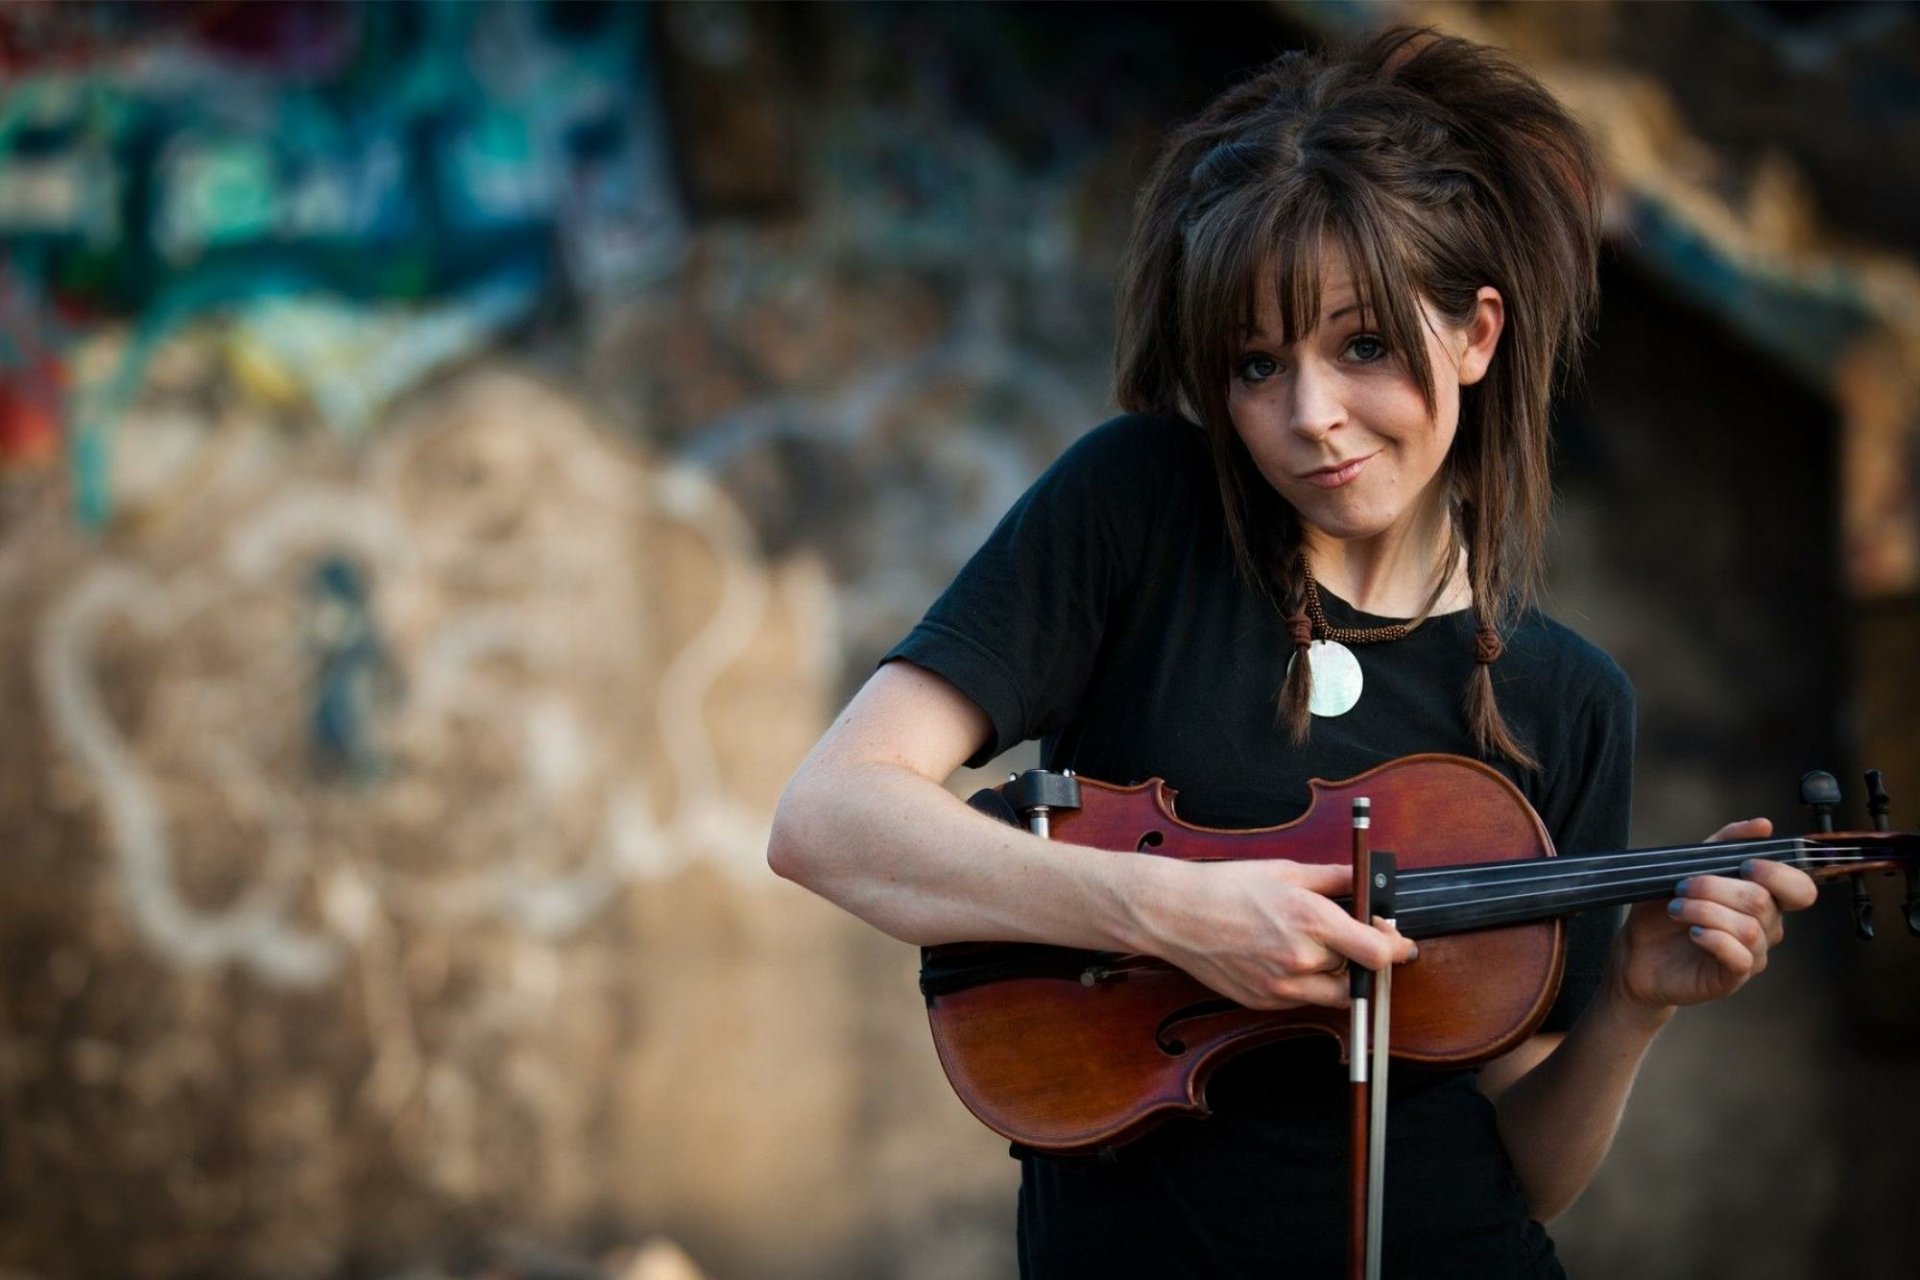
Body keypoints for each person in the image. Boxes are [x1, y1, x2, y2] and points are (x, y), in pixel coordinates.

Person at [768, 24, 1818, 1278]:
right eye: (1257, 364)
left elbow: (1526, 1172)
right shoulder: (1139, 509)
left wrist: (1635, 1004)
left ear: (1476, 335)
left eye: (1363, 344)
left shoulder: (1568, 696)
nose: (1308, 415)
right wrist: (1172, 912)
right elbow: (828, 818)